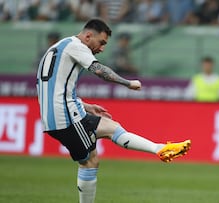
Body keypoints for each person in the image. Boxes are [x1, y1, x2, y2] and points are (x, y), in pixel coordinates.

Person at [36, 18, 191, 203]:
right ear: (87, 36)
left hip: (62, 113)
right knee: (89, 162)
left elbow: (54, 87)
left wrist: (85, 106)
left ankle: (159, 148)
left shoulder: (60, 46)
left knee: (111, 128)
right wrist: (128, 83)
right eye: (101, 43)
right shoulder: (77, 46)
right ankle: (158, 149)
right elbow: (99, 70)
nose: (102, 49)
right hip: (65, 117)